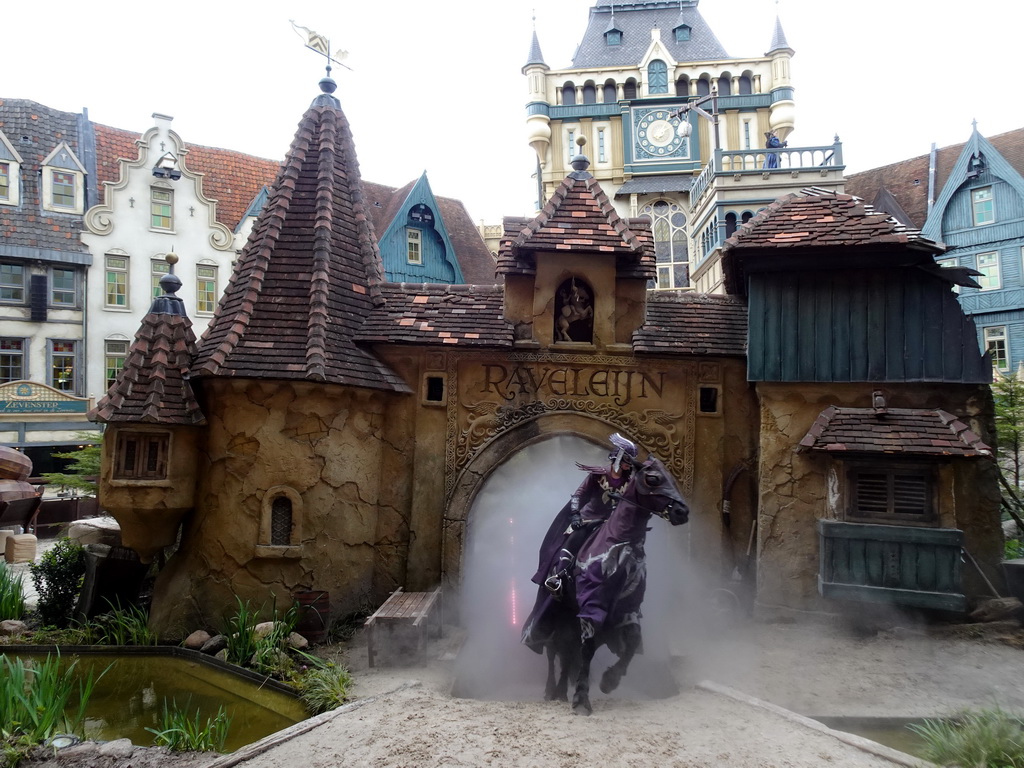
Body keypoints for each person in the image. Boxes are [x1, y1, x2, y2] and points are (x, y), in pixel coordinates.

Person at [521, 433, 639, 652]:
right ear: (618, 458)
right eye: (625, 461)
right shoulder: (597, 475)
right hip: (589, 520)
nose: (627, 466)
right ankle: (558, 577)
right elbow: (578, 495)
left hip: (612, 526)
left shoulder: (631, 481)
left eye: (629, 463)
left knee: (634, 553)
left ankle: (630, 595)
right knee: (572, 542)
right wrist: (575, 514)